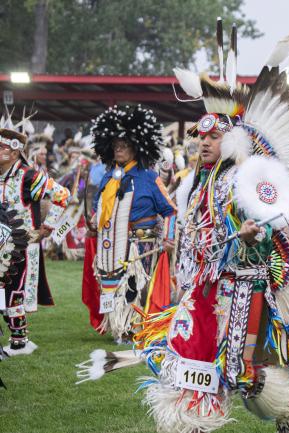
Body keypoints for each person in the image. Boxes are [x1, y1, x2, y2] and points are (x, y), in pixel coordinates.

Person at [78, 26, 289, 433]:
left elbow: (278, 228)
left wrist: (254, 234)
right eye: (200, 136)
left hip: (246, 288)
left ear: (231, 140)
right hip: (202, 291)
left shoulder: (249, 178)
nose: (204, 142)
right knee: (187, 360)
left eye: (213, 135)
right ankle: (191, 423)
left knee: (247, 373)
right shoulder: (197, 184)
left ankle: (284, 413)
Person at [90, 105, 177, 342]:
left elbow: (170, 211)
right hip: (109, 243)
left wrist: (169, 239)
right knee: (110, 284)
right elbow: (97, 207)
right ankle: (118, 326)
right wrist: (93, 219)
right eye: (116, 146)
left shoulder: (149, 177)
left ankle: (134, 328)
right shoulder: (108, 177)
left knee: (132, 287)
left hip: (140, 244)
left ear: (136, 148)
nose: (118, 149)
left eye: (124, 146)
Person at [0, 116, 69, 355]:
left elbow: (62, 195)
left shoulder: (28, 176)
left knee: (13, 291)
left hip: (22, 245)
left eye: (2, 147)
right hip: (1, 245)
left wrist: (47, 227)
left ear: (16, 151)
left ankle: (19, 341)